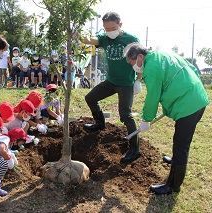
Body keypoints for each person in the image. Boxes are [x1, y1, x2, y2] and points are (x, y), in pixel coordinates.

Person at [124, 42, 209, 195]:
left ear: (140, 57)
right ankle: (176, 161)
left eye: (133, 63)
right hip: (198, 96)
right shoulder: (163, 54)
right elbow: (193, 70)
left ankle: (172, 186)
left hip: (189, 105)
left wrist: (145, 119)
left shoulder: (150, 68)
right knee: (181, 142)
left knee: (181, 145)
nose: (134, 68)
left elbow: (153, 96)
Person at [74, 12, 142, 163]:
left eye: (113, 28)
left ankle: (135, 149)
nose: (110, 31)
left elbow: (140, 61)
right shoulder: (105, 39)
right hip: (111, 82)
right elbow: (90, 40)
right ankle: (99, 123)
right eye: (106, 29)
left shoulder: (131, 40)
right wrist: (77, 35)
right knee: (90, 98)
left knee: (125, 115)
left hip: (126, 84)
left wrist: (138, 80)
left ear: (120, 25)